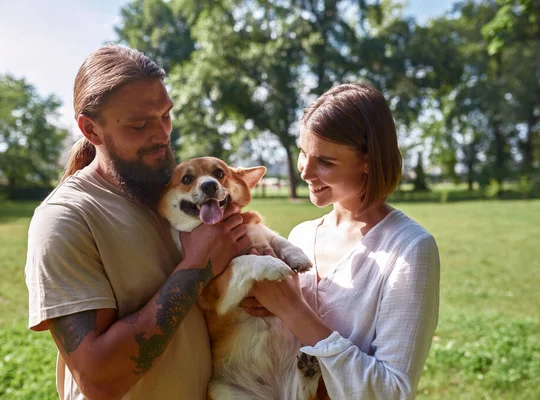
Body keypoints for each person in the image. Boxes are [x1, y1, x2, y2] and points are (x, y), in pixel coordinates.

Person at [24, 44, 251, 400]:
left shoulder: (176, 197)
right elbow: (98, 379)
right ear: (91, 130)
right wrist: (197, 267)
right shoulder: (66, 218)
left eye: (165, 116)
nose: (161, 134)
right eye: (139, 124)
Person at [243, 83, 440, 399]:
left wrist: (292, 309)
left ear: (368, 162)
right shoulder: (301, 236)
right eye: (302, 153)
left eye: (325, 162)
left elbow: (392, 391)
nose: (305, 172)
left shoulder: (411, 249)